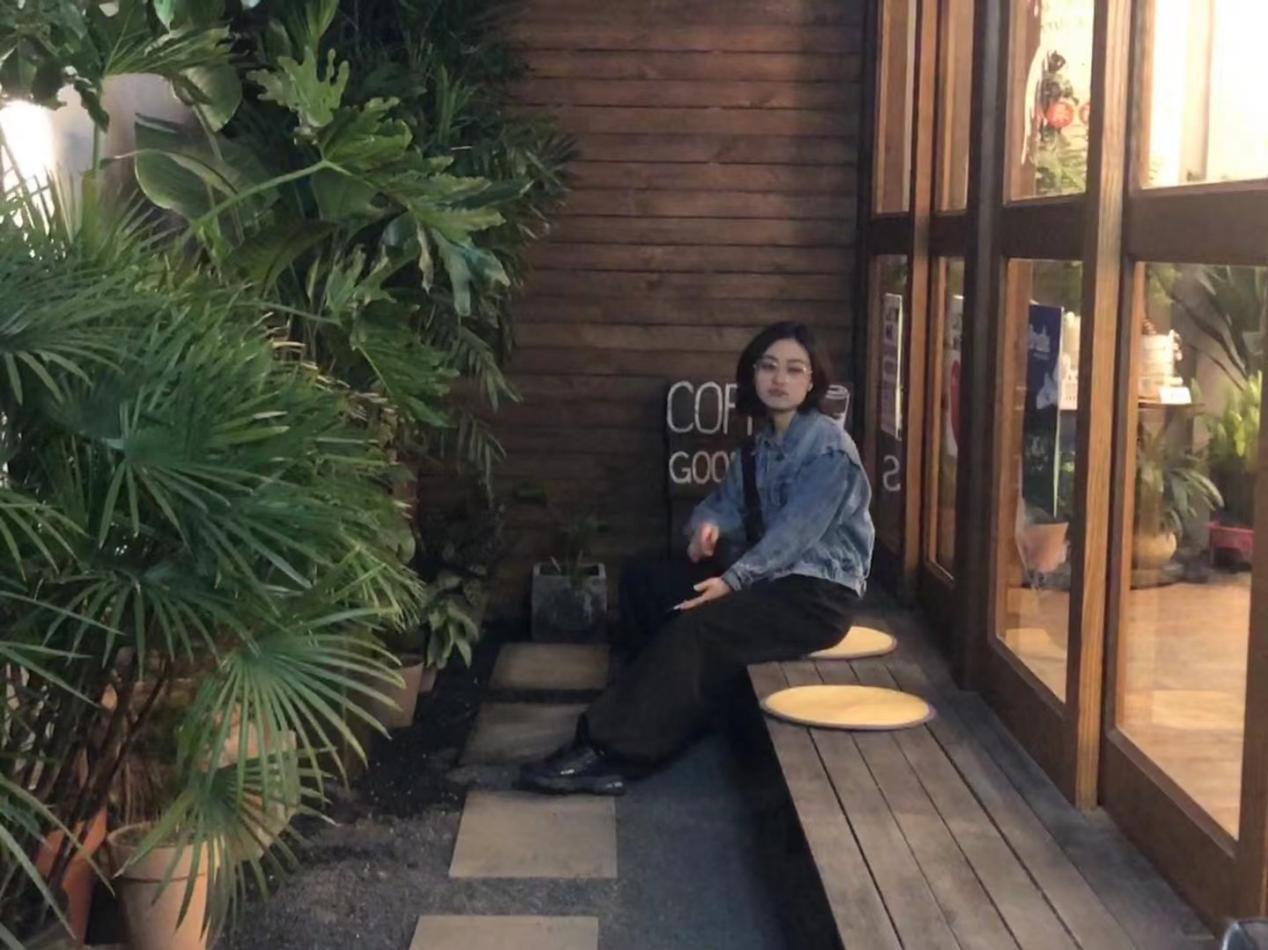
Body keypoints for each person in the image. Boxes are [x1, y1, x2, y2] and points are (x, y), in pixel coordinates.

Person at [517, 321, 875, 795]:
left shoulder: (830, 449)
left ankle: (614, 752)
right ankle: (669, 714)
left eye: (794, 369)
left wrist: (731, 582)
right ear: (752, 375)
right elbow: (722, 505)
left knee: (698, 626)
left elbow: (794, 535)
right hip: (766, 579)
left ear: (812, 382)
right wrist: (707, 529)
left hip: (815, 596)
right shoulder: (758, 448)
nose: (779, 379)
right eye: (768, 366)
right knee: (645, 582)